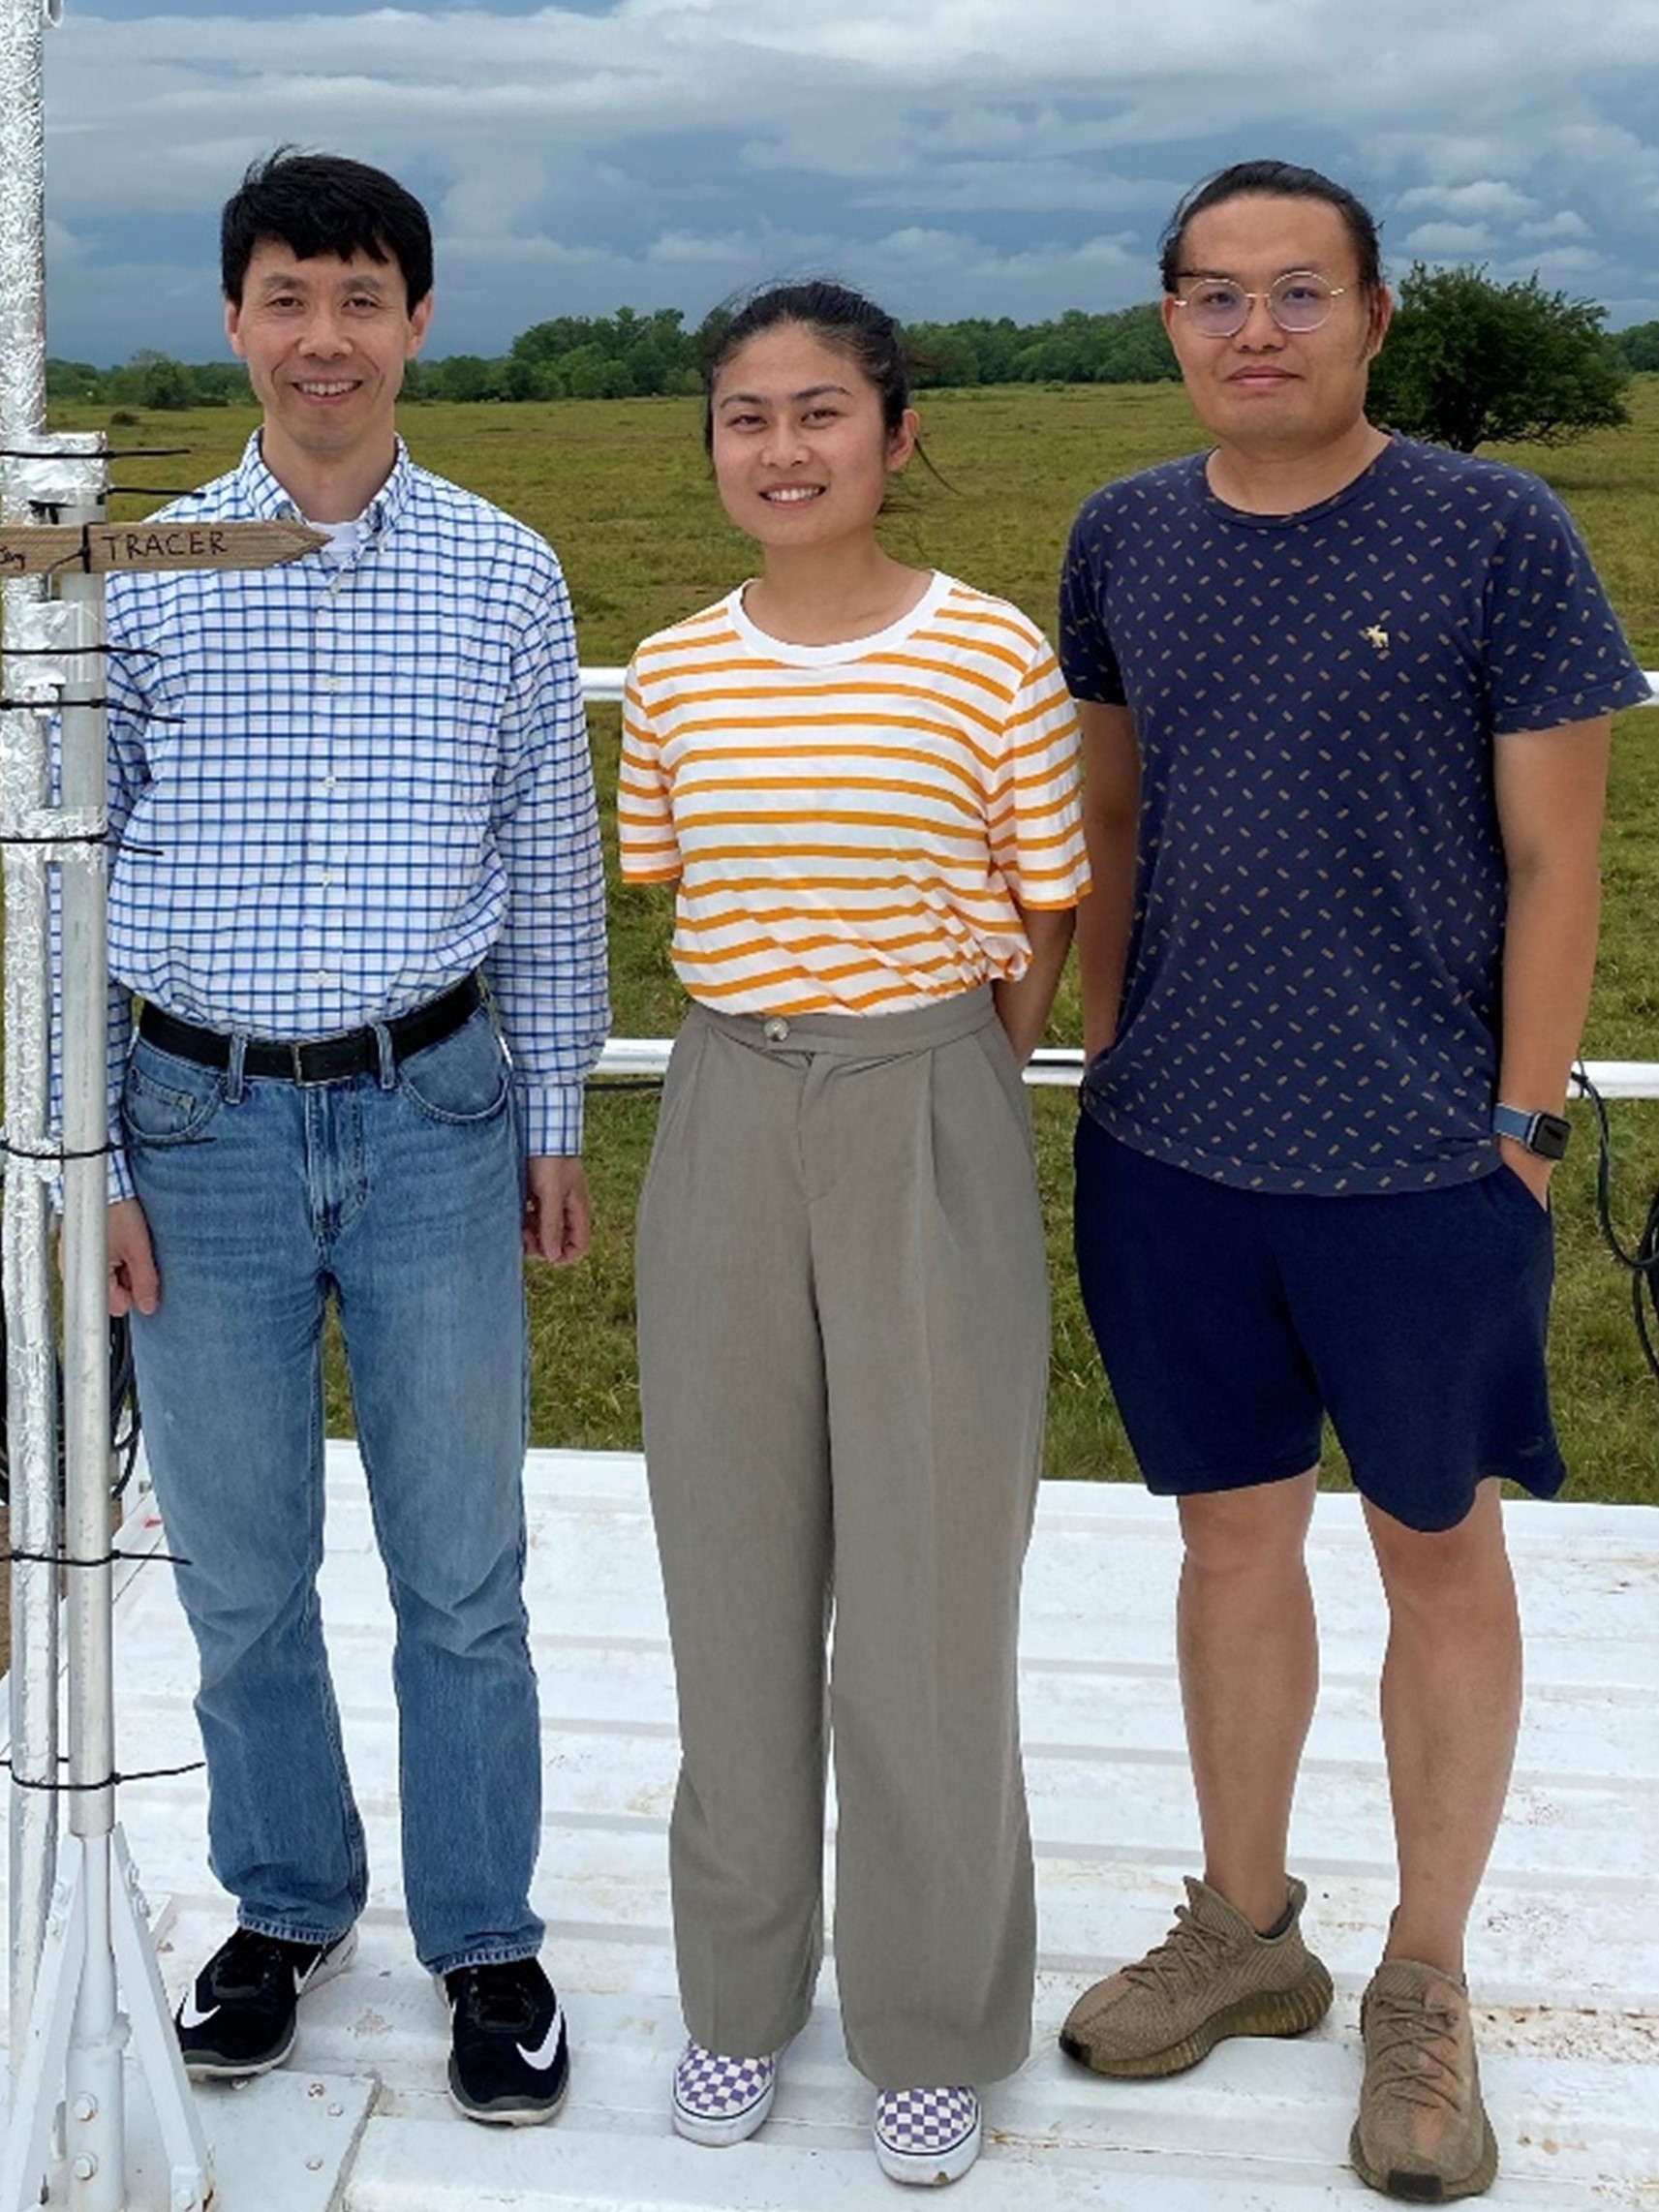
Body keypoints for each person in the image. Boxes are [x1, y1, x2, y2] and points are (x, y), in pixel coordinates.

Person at [1056, 159, 1649, 2202]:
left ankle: (1422, 1972)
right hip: (1171, 1150)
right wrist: (1103, 1041)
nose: (1254, 331)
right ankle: (1243, 1927)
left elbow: (1560, 855)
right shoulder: (1120, 533)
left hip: (1417, 1157)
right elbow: (1112, 807)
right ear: (1166, 321)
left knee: (1431, 1548)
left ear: (1374, 314)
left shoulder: (1494, 529)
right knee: (1227, 1544)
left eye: (1295, 292)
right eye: (1211, 295)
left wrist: (1514, 1125)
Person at [100, 150, 607, 2125]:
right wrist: (91, 1164)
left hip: (431, 1112)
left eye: (363, 296)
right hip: (194, 1114)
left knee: (461, 1560)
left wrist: (553, 1108)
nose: (326, 334)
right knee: (235, 1559)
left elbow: (549, 866)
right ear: (233, 318)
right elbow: (50, 878)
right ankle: (286, 1898)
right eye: (288, 294)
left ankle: (484, 1933)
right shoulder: (136, 568)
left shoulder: (501, 567)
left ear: (415, 321)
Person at [618, 280, 1089, 2187]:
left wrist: (939, 1092)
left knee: (921, 1593)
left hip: (926, 1104)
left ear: (893, 434)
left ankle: (926, 2017)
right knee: (727, 1577)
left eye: (823, 410)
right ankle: (738, 1996)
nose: (784, 447)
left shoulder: (988, 658)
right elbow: (678, 886)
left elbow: (1037, 921)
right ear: (713, 442)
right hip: (727, 1104)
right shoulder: (669, 669)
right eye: (746, 414)